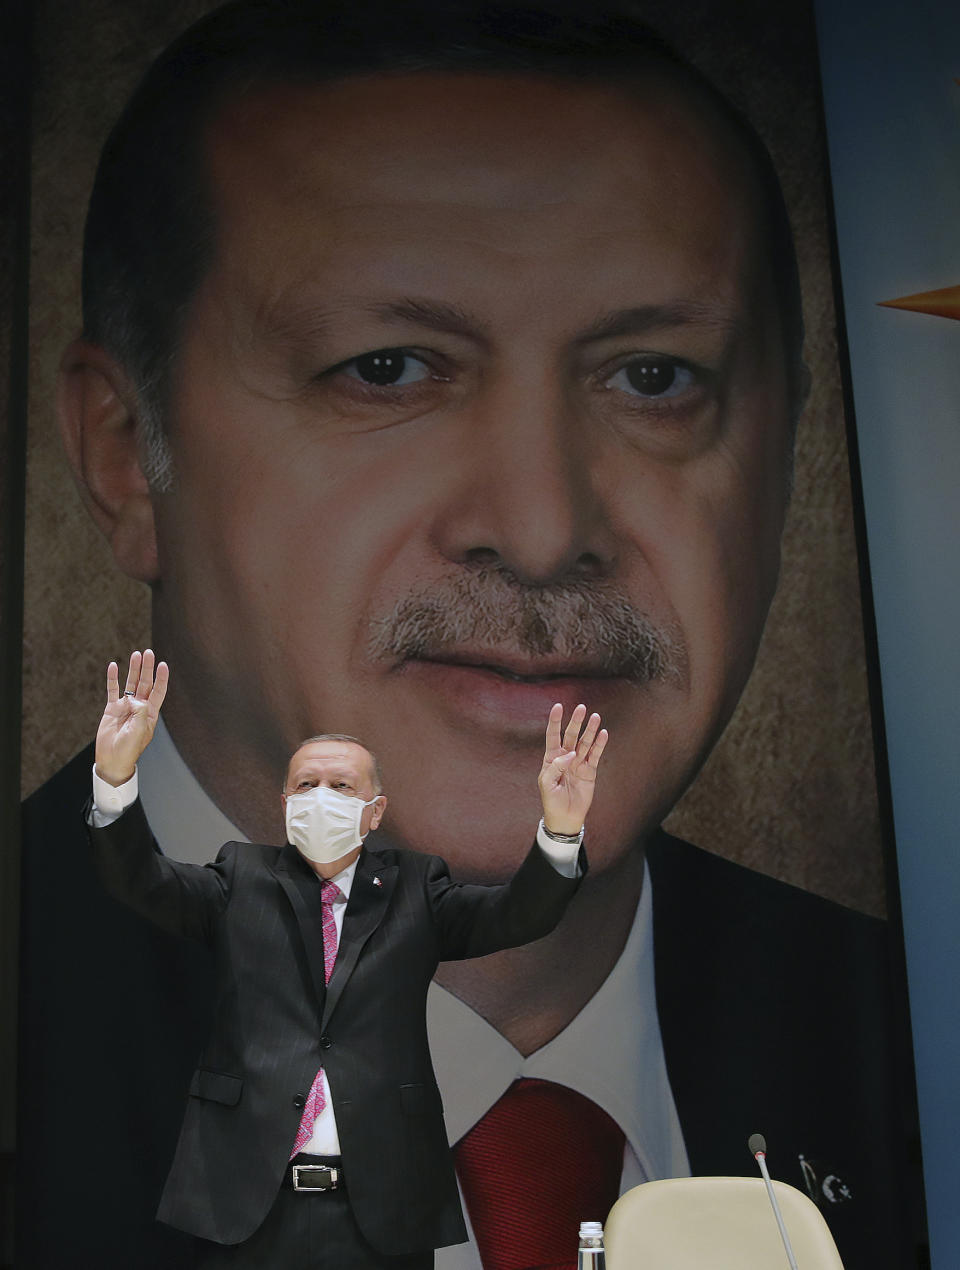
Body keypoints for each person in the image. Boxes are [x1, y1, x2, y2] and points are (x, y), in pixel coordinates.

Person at [18, 3, 917, 1268]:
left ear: (787, 470)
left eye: (654, 376)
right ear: (124, 456)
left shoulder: (907, 1028)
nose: (546, 528)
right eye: (388, 368)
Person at [86, 649, 602, 1267]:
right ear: (284, 805)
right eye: (306, 785)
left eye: (341, 786)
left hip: (380, 1204)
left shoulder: (417, 888)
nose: (321, 797)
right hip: (249, 1200)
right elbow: (140, 880)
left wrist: (561, 830)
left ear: (375, 811)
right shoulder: (239, 879)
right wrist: (114, 782)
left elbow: (522, 915)